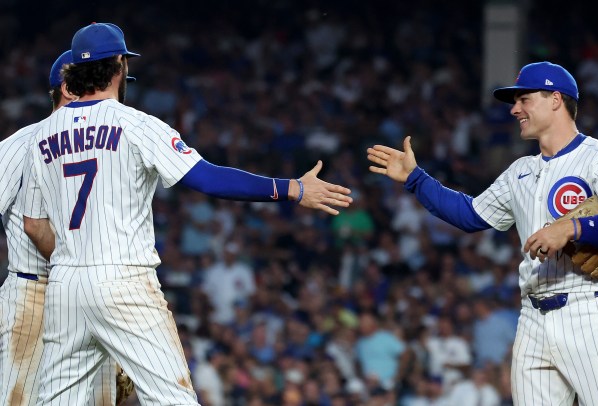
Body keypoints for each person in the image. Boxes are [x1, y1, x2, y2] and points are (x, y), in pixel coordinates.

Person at [16, 22, 351, 405]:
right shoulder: (137, 125)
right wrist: (291, 188)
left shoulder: (40, 136)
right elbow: (209, 179)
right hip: (123, 280)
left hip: (64, 285)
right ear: (119, 65)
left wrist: (74, 260)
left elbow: (33, 224)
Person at [367, 61, 598, 405]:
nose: (515, 109)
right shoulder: (520, 171)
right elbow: (469, 215)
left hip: (591, 309)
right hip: (533, 318)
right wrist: (416, 179)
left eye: (524, 99)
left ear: (556, 100)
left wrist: (572, 227)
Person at [0, 51, 130, 406]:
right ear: (70, 89)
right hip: (34, 297)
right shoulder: (20, 145)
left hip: (90, 294)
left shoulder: (108, 144)